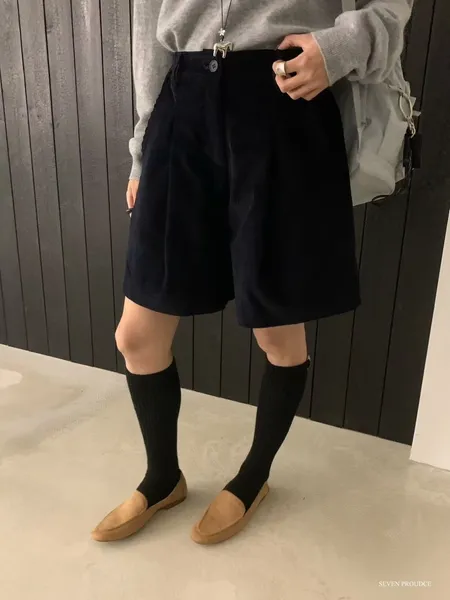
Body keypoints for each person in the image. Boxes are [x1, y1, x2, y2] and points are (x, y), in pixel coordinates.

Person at [91, 0, 413, 544]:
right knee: (136, 335)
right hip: (182, 109)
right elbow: (150, 27)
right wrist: (142, 151)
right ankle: (163, 477)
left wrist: (342, 46)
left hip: (284, 102)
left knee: (277, 331)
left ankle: (253, 476)